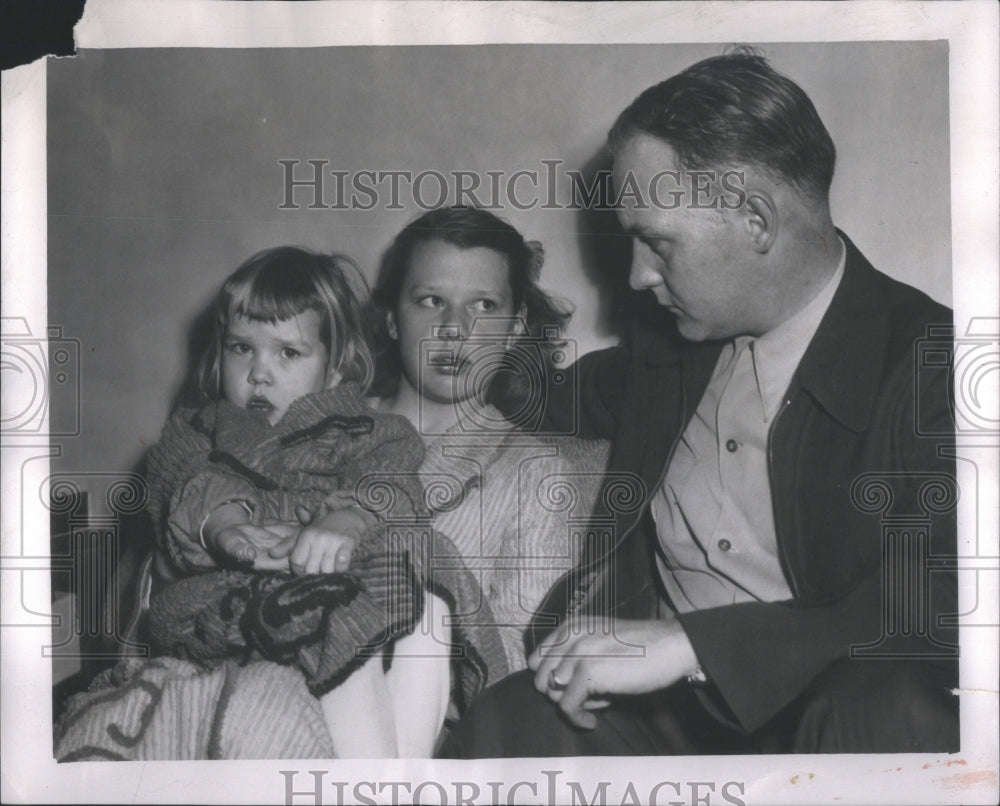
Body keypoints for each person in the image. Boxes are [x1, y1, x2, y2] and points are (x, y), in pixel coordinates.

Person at [443, 50, 959, 757]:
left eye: (656, 243)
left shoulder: (936, 362)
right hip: (674, 718)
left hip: (838, 708)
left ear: (754, 219)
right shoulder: (664, 355)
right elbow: (523, 392)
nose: (635, 276)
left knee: (887, 706)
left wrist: (696, 644)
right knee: (515, 719)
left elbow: (951, 591)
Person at [56, 246, 506, 760]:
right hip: (228, 597)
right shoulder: (198, 429)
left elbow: (393, 485)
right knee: (333, 611)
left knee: (428, 589)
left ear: (335, 368)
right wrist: (227, 528)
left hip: (352, 582)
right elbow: (184, 482)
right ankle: (376, 779)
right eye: (241, 348)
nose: (259, 373)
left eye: (288, 353)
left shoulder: (376, 431)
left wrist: (347, 518)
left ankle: (402, 769)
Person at [370, 206, 611, 675]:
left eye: (483, 306)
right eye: (430, 300)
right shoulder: (325, 424)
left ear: (515, 327)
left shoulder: (535, 473)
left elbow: (513, 667)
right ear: (392, 317)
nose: (454, 329)